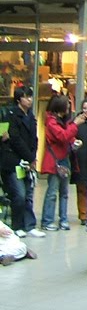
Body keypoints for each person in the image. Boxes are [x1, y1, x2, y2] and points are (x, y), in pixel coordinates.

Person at [0, 86, 45, 239]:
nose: (30, 100)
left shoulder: (31, 116)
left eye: (31, 97)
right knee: (19, 194)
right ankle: (17, 225)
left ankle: (30, 225)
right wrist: (29, 158)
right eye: (26, 97)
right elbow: (15, 139)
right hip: (14, 161)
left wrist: (33, 156)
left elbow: (34, 139)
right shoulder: (11, 115)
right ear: (19, 99)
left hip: (28, 161)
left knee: (28, 194)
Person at [40, 93, 78, 231]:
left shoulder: (63, 120)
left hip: (64, 158)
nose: (69, 108)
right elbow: (63, 136)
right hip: (55, 160)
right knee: (52, 191)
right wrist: (75, 125)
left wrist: (74, 142)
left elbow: (67, 137)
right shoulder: (51, 122)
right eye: (67, 105)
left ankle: (63, 219)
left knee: (64, 192)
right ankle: (47, 220)